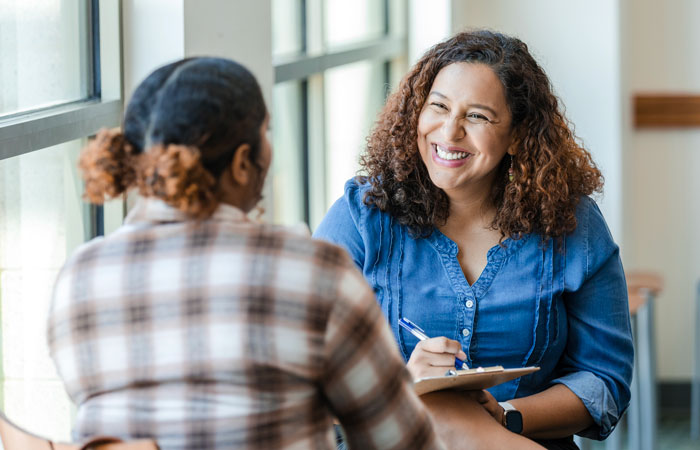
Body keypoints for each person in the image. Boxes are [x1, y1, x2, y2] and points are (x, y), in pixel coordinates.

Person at [47, 57, 444, 450]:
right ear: (241, 163)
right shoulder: (312, 272)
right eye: (266, 132)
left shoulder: (77, 277)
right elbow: (401, 441)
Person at [314, 30, 633, 450]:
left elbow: (604, 381)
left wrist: (506, 417)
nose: (449, 132)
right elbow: (299, 375)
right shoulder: (364, 215)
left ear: (518, 135)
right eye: (438, 107)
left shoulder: (573, 223)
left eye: (477, 116)